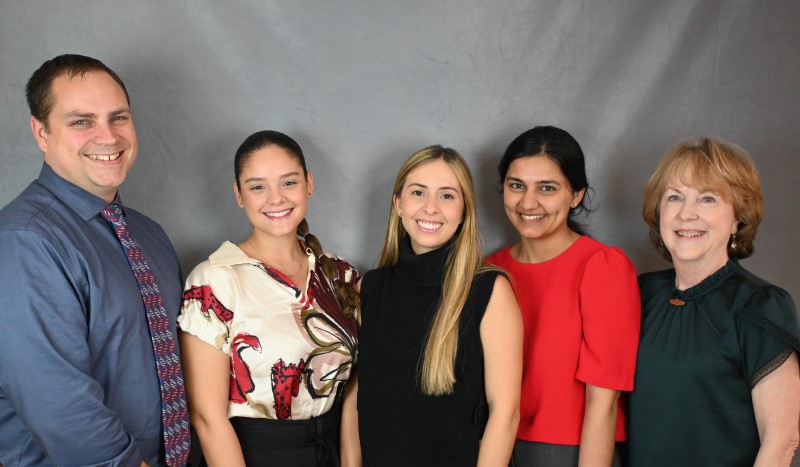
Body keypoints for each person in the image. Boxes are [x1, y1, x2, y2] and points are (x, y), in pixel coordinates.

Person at [0, 54, 189, 466]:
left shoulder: (150, 235)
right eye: (81, 121)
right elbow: (57, 400)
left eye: (118, 117)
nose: (108, 137)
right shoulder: (23, 241)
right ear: (41, 132)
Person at [178, 130, 359, 466]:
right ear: (239, 194)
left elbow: (354, 395)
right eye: (258, 186)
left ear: (309, 184)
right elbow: (207, 418)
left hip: (331, 450)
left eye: (288, 182)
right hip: (254, 455)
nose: (276, 198)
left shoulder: (339, 275)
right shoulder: (214, 280)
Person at [340, 145, 522, 466]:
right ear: (398, 204)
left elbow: (504, 414)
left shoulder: (489, 290)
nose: (431, 207)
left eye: (447, 196)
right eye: (418, 192)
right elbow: (355, 398)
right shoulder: (369, 288)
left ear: (465, 210)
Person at [625, 137, 800, 466]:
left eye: (707, 199)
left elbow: (782, 441)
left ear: (738, 218)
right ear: (658, 211)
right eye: (674, 197)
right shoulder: (638, 294)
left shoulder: (761, 305)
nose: (686, 214)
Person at [486, 126, 641, 467]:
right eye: (517, 186)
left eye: (547, 188)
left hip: (571, 453)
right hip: (492, 448)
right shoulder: (487, 271)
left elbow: (605, 403)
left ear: (576, 195)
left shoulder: (602, 267)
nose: (528, 202)